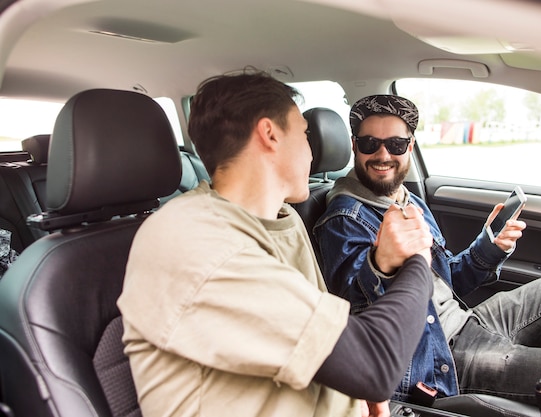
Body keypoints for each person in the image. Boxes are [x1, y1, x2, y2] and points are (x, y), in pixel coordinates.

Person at [117, 72, 436, 417]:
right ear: (270, 134)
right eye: (304, 133)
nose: (313, 150)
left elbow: (323, 345)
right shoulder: (192, 237)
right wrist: (418, 259)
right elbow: (373, 366)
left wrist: (349, 396)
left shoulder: (283, 219)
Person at [313, 94, 541, 413]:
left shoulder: (408, 201)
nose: (382, 155)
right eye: (370, 143)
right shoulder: (343, 219)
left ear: (410, 146)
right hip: (443, 356)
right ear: (354, 146)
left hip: (466, 319)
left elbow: (448, 286)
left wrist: (489, 248)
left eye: (394, 144)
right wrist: (380, 265)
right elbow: (357, 318)